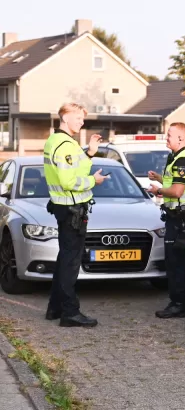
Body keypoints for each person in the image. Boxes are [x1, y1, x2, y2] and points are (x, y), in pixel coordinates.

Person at [44, 103, 107, 327]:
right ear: (66, 117)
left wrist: (89, 152)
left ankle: (55, 307)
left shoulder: (57, 141)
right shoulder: (65, 145)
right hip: (72, 209)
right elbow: (69, 181)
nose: (82, 122)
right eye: (79, 118)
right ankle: (70, 312)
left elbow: (74, 169)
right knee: (70, 264)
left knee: (65, 259)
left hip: (64, 207)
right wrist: (94, 181)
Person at [147, 122, 185, 318]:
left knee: (174, 262)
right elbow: (178, 184)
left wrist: (159, 191)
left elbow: (177, 191)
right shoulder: (178, 158)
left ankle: (178, 303)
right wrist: (160, 179)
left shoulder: (183, 159)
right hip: (180, 217)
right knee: (181, 259)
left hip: (181, 218)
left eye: (169, 135)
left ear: (181, 138)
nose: (166, 138)